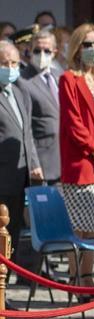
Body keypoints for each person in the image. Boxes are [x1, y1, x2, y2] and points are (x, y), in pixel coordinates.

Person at [59, 23, 94, 289]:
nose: (93, 49)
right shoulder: (69, 79)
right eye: (87, 44)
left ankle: (88, 276)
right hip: (81, 161)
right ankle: (74, 278)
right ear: (77, 49)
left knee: (93, 224)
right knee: (76, 227)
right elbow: (73, 123)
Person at [0, 40, 42, 247]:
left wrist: (34, 162)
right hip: (2, 177)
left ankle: (5, 279)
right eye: (5, 64)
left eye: (14, 64)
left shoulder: (19, 92)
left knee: (12, 233)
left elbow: (27, 133)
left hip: (20, 176)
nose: (10, 69)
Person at [18, 29, 61, 185]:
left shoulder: (60, 76)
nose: (42, 54)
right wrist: (34, 162)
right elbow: (25, 126)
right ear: (29, 51)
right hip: (43, 164)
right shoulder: (23, 81)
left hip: (64, 159)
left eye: (47, 50)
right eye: (37, 50)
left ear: (55, 52)